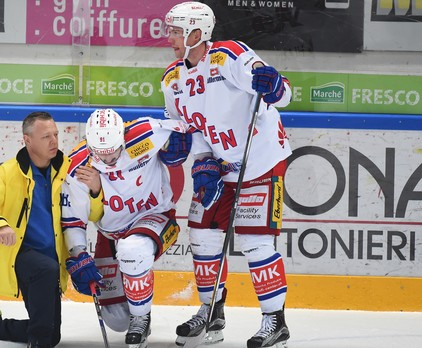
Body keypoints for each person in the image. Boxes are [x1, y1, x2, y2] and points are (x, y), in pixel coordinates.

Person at [161, 2, 292, 348]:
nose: (170, 37)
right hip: (222, 167)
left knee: (255, 241)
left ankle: (274, 321)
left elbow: (281, 93)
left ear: (197, 33)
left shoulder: (230, 56)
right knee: (202, 235)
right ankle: (211, 310)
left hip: (261, 161)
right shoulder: (172, 81)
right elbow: (195, 130)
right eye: (170, 30)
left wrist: (275, 85)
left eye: (177, 31)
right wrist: (204, 162)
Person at [0, 111, 87, 348]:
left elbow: (92, 211)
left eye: (55, 134)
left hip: (52, 259)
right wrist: (0, 225)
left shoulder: (68, 170)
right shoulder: (5, 173)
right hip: (20, 254)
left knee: (50, 336)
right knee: (46, 272)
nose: (54, 141)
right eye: (46, 136)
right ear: (27, 140)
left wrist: (95, 190)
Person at [61, 108, 191, 348]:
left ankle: (141, 319)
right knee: (118, 320)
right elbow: (73, 220)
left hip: (154, 216)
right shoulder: (78, 166)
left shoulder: (144, 134)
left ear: (123, 137)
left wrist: (181, 147)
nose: (108, 161)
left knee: (133, 249)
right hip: (110, 233)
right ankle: (138, 308)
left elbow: (184, 123)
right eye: (100, 155)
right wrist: (78, 252)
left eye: (112, 153)